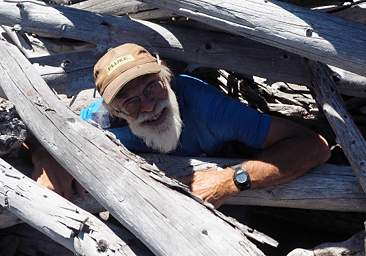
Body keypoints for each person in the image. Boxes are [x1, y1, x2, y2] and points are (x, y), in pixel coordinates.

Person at [32, 43, 330, 207]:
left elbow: (313, 146)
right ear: (115, 110)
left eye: (151, 87)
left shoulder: (205, 107)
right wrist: (47, 158)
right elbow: (44, 131)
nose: (148, 106)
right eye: (130, 101)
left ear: (166, 76)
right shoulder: (100, 122)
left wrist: (231, 181)